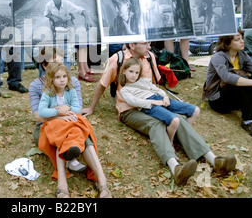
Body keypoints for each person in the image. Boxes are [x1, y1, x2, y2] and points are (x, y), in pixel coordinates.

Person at [83, 41, 237, 185]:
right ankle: (175, 168)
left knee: (177, 119)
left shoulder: (149, 57)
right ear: (132, 45)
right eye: (145, 44)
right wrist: (91, 107)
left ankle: (214, 160)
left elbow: (154, 86)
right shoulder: (118, 58)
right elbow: (102, 84)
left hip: (152, 102)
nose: (149, 47)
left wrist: (164, 99)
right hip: (129, 108)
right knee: (156, 123)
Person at [29, 46, 111, 198]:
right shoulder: (37, 86)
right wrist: (59, 115)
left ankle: (102, 182)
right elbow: (38, 116)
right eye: (55, 63)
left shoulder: (71, 82)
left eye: (62, 62)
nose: (60, 67)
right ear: (44, 65)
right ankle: (62, 184)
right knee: (60, 135)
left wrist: (66, 115)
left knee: (82, 133)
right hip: (46, 126)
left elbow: (77, 109)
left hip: (71, 122)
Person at [204, 31, 252, 139]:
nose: (242, 41)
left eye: (242, 38)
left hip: (234, 98)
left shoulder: (242, 55)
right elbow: (226, 77)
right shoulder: (218, 57)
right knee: (244, 81)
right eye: (237, 39)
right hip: (218, 100)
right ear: (228, 43)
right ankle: (247, 121)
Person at [119, 57, 200, 146]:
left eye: (136, 72)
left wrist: (165, 96)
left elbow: (156, 89)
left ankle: (182, 137)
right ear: (124, 71)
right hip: (150, 105)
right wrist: (153, 102)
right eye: (131, 71)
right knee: (175, 120)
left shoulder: (143, 81)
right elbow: (134, 101)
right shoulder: (125, 90)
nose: (134, 75)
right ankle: (170, 143)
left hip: (160, 98)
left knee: (195, 110)